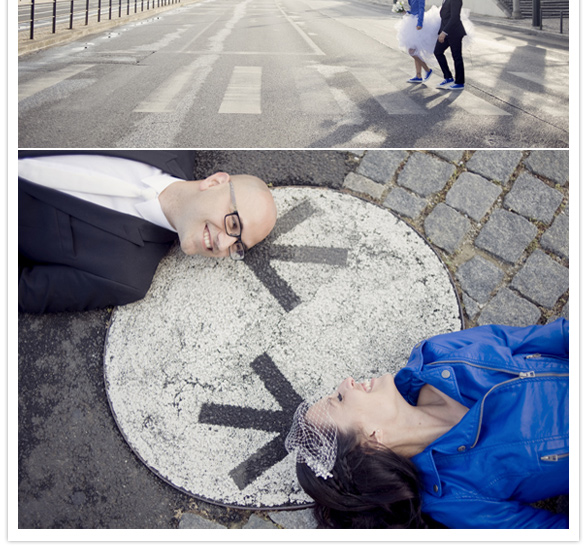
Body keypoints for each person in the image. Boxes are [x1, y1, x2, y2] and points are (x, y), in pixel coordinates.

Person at [285, 319, 569, 529]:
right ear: (372, 441)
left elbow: (550, 336)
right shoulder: (453, 498)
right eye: (339, 399)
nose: (345, 383)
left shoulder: (436, 355)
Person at [18, 150, 277, 314]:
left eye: (236, 247)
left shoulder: (124, 276)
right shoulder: (172, 142)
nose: (223, 244)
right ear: (215, 182)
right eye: (233, 225)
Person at [396, 0, 440, 83]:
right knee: (415, 51)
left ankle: (427, 70)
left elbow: (421, 10)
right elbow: (413, 10)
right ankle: (418, 76)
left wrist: (419, 24)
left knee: (412, 51)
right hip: (412, 21)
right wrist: (405, 12)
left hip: (418, 23)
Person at [434, 0, 467, 90]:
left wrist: (444, 32)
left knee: (456, 56)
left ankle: (459, 83)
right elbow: (445, 17)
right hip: (446, 31)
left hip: (454, 32)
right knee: (437, 51)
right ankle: (448, 77)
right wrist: (440, 31)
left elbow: (454, 18)